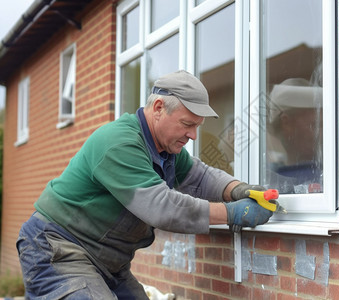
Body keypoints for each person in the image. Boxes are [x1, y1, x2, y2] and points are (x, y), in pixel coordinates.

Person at [16, 70, 272, 299]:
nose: (193, 135)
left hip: (107, 263)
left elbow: (201, 177)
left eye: (197, 127)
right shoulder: (120, 142)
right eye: (187, 124)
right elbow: (162, 207)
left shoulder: (166, 150)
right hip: (58, 249)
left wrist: (239, 189)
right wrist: (233, 212)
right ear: (159, 107)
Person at [265, 78, 323, 194]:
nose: (322, 134)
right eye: (314, 125)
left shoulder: (332, 172)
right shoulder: (269, 177)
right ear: (286, 123)